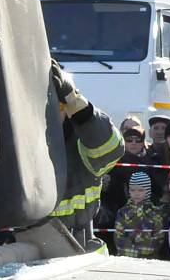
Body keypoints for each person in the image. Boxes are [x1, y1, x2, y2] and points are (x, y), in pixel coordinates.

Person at [47, 64, 124, 250]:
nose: (47, 115)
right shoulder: (23, 141)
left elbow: (113, 148)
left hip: (79, 247)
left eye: (55, 107)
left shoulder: (82, 142)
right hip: (30, 245)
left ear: (66, 108)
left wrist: (81, 111)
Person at [113, 172, 163, 259]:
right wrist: (131, 253)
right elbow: (119, 235)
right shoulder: (123, 212)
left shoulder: (155, 212)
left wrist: (144, 253)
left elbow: (159, 237)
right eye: (133, 190)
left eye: (140, 190)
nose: (136, 193)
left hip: (149, 259)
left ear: (147, 191)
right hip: (125, 258)